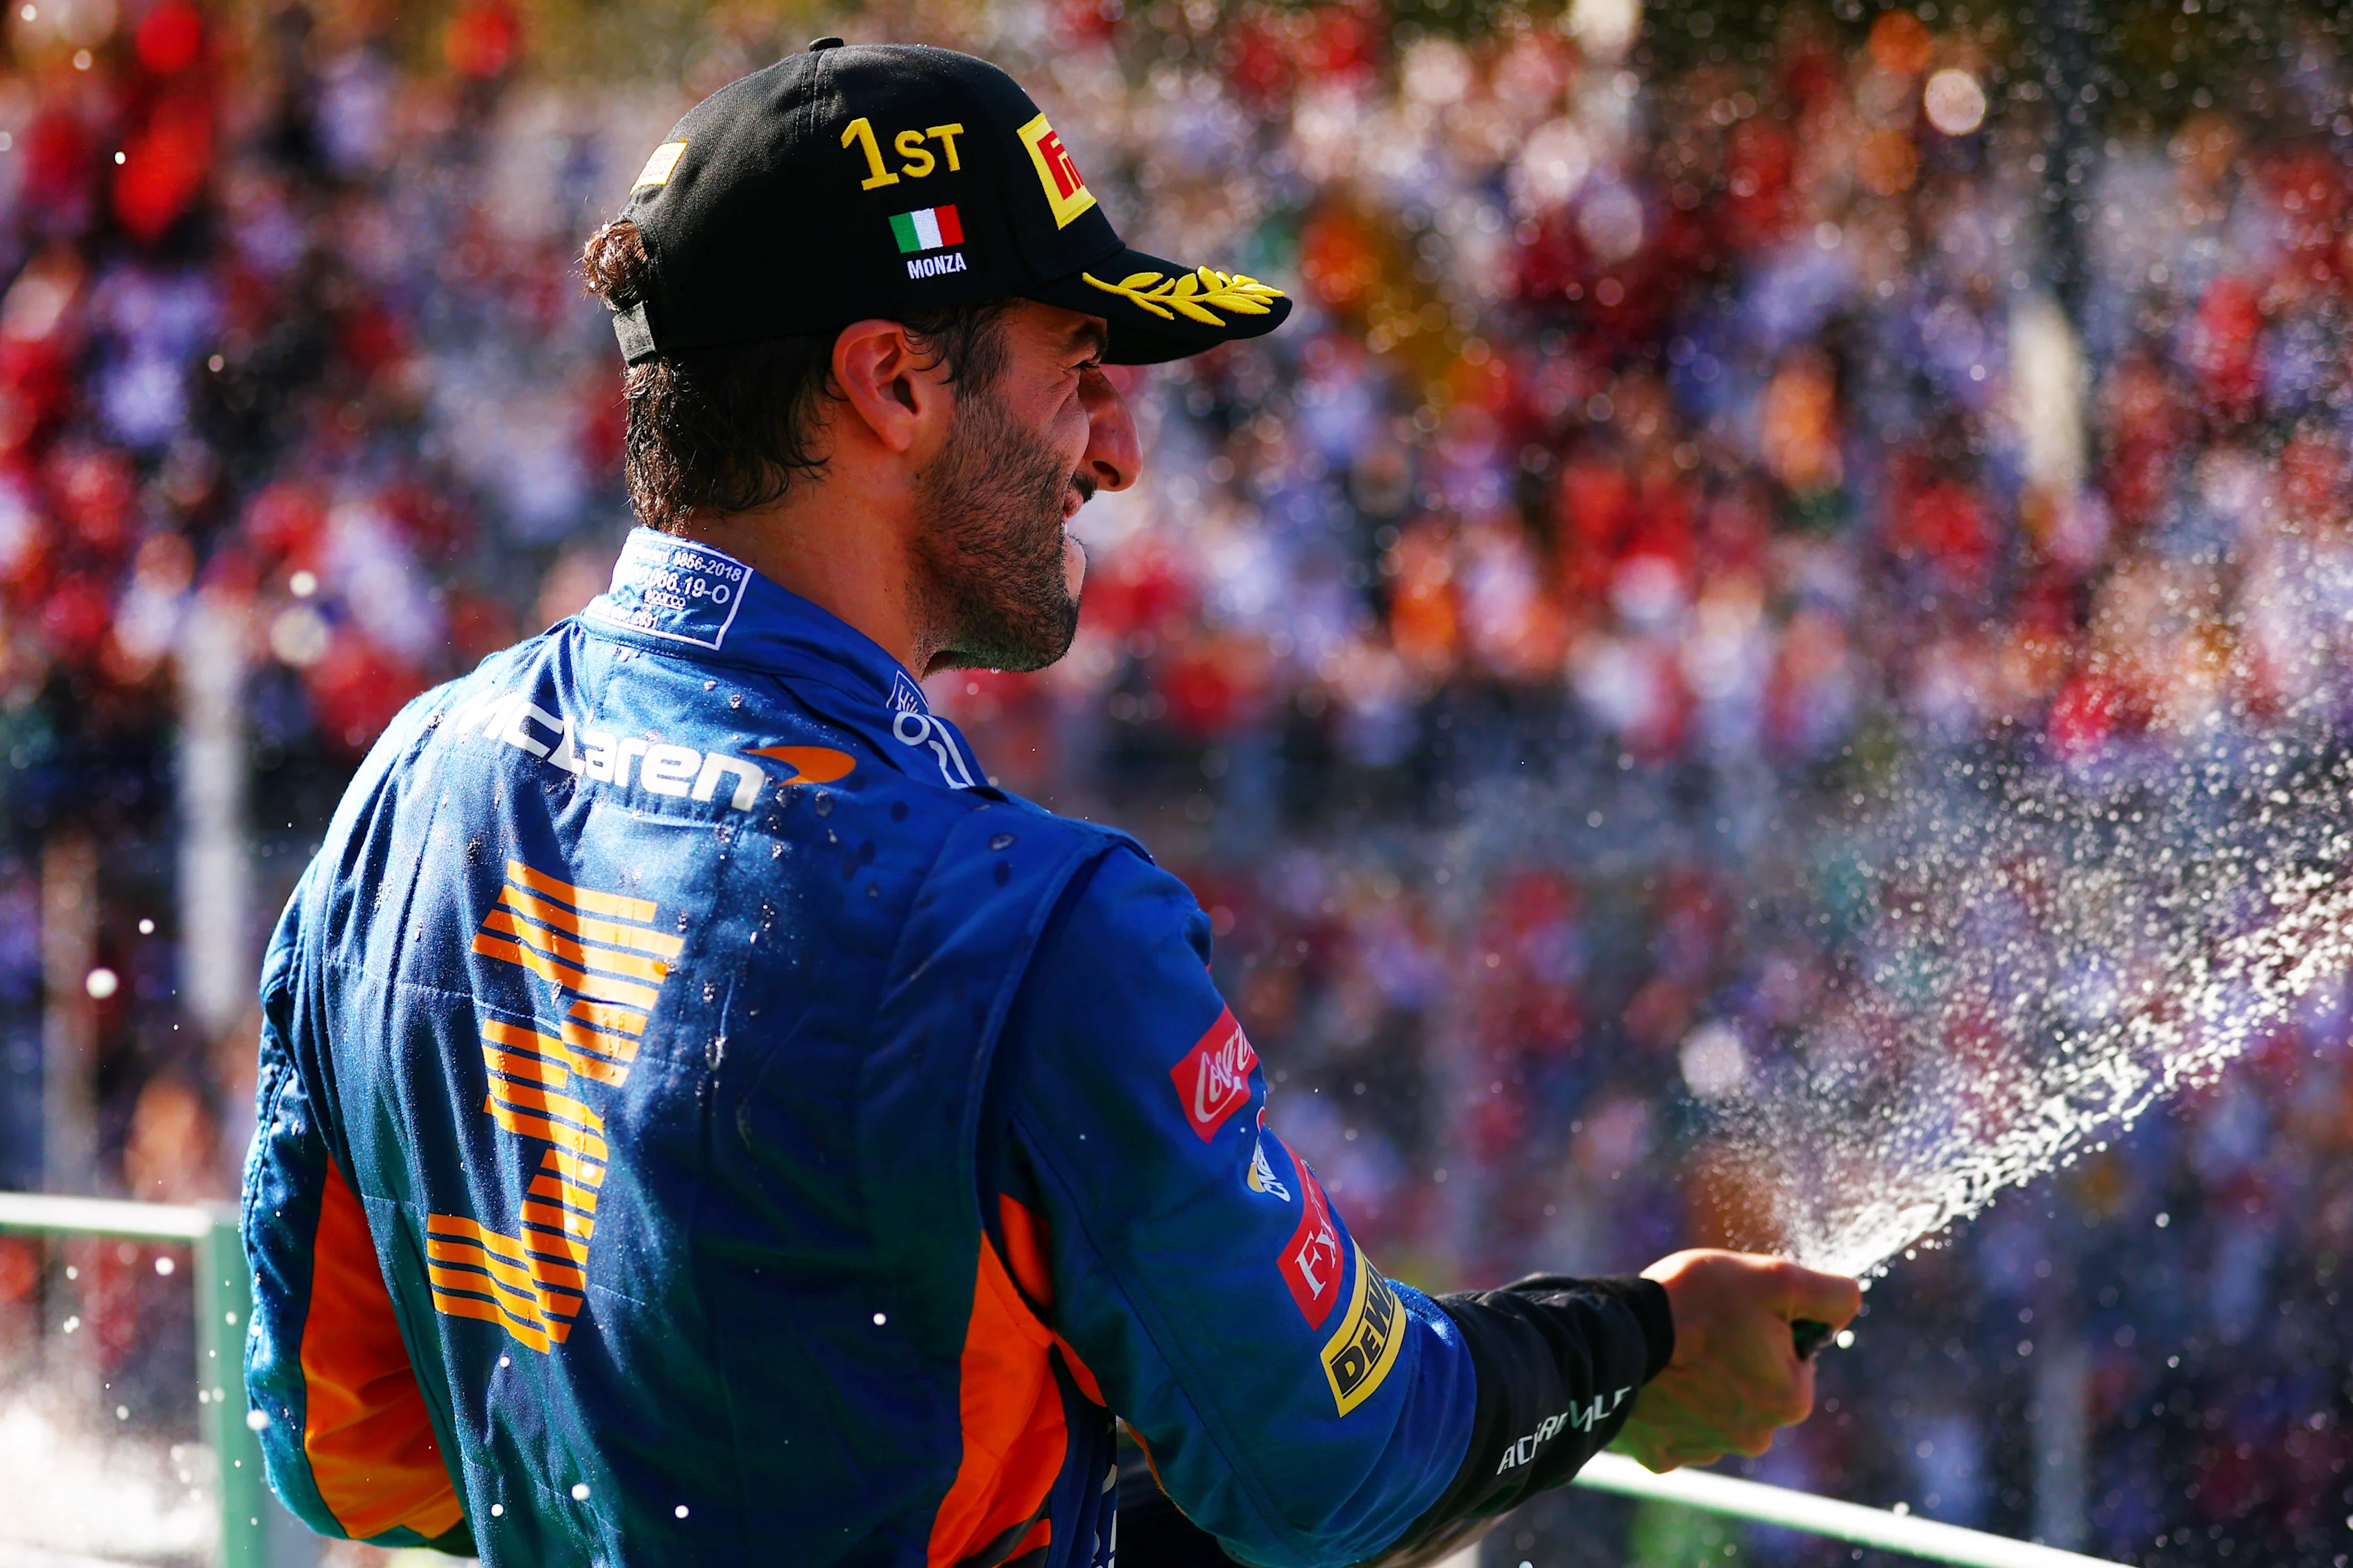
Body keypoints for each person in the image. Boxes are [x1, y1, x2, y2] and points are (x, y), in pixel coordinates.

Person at [239, 40, 1858, 1568]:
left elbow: (349, 1439)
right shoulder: (1024, 919)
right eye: (1080, 365)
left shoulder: (415, 777)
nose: (1121, 450)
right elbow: (1332, 1462)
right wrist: (1631, 1349)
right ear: (892, 382)